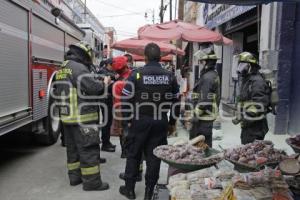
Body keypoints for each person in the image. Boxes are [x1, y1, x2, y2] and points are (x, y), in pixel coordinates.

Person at [119, 43, 179, 200]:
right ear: (160, 58)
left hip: (139, 121)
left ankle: (129, 190)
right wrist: (172, 122)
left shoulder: (136, 74)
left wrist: (126, 122)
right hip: (160, 121)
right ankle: (149, 193)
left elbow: (125, 99)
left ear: (145, 57)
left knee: (133, 154)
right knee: (154, 157)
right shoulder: (169, 76)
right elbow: (176, 102)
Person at [55, 42, 110, 191]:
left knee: (72, 150)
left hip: (67, 117)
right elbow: (94, 88)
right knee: (89, 149)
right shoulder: (78, 68)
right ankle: (92, 183)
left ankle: (74, 178)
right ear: (82, 54)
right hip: (83, 118)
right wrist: (104, 83)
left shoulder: (63, 67)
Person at [234, 52, 270, 144]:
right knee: (246, 147)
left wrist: (246, 118)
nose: (241, 68)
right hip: (249, 124)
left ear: (250, 66)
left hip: (255, 126)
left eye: (243, 65)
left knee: (251, 153)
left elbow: (259, 105)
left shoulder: (257, 82)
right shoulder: (248, 80)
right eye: (240, 65)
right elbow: (244, 100)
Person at [190, 50, 220, 147]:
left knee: (201, 145)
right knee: (204, 143)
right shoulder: (211, 74)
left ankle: (204, 161)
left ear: (208, 62)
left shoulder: (208, 77)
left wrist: (195, 116)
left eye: (202, 61)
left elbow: (205, 101)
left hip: (203, 117)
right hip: (206, 116)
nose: (201, 64)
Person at [97, 58, 117, 152]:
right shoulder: (102, 71)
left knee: (109, 121)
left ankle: (107, 141)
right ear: (109, 64)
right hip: (104, 99)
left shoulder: (109, 71)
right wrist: (114, 78)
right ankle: (105, 144)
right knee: (106, 121)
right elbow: (106, 78)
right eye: (113, 65)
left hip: (109, 99)